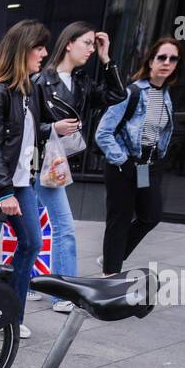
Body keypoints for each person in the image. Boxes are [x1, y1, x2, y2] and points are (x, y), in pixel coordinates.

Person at [32, 22, 124, 313]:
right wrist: (52, 128)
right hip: (41, 163)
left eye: (92, 45)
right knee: (64, 227)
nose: (90, 50)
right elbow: (25, 126)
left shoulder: (82, 82)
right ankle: (63, 294)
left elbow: (117, 95)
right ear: (68, 43)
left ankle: (28, 281)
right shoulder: (40, 81)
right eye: (86, 43)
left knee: (29, 228)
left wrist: (107, 59)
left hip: (60, 163)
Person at [0, 19, 50, 339]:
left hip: (20, 183)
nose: (43, 53)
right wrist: (4, 192)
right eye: (38, 47)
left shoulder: (30, 90)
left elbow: (25, 135)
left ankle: (9, 316)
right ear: (21, 50)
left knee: (31, 243)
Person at [95, 37, 180, 275]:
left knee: (150, 216)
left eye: (172, 59)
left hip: (147, 166)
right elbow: (103, 133)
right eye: (161, 57)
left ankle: (112, 257)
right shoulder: (131, 92)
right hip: (122, 164)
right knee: (119, 220)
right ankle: (111, 274)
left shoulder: (165, 95)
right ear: (150, 61)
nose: (166, 63)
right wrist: (122, 160)